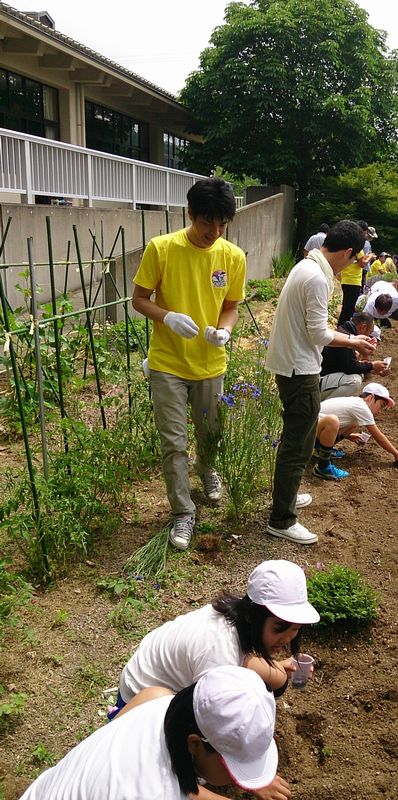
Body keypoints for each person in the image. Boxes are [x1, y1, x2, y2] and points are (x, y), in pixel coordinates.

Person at [132, 177, 246, 552]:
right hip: (167, 362)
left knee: (209, 432)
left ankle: (206, 468)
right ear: (190, 214)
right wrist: (166, 317)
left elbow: (230, 307)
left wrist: (224, 331)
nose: (215, 231)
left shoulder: (232, 256)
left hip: (211, 362)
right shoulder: (162, 249)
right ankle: (183, 511)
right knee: (173, 441)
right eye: (207, 222)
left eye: (222, 224)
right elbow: (139, 299)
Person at [20, 665, 290, 800]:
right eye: (234, 770)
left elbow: (182, 787)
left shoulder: (156, 701)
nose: (239, 784)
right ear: (195, 744)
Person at [265, 220, 376, 545]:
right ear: (346, 252)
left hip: (291, 364)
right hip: (299, 370)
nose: (350, 266)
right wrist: (353, 342)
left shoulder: (306, 267)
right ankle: (281, 519)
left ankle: (286, 496)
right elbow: (317, 334)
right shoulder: (316, 277)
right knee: (298, 444)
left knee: (295, 437)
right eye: (353, 260)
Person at [110, 560, 319, 717]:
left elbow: (256, 667)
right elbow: (208, 724)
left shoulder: (238, 617)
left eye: (296, 629)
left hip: (157, 683)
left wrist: (278, 668)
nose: (287, 638)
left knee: (275, 679)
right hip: (137, 705)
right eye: (280, 628)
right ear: (252, 616)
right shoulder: (218, 652)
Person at [313, 382, 398, 480]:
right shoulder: (361, 407)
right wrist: (396, 454)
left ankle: (321, 450)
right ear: (371, 398)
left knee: (353, 424)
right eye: (381, 405)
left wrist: (349, 435)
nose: (379, 411)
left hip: (313, 431)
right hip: (306, 435)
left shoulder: (356, 403)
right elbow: (378, 436)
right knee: (332, 421)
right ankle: (323, 467)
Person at [320, 312, 391, 400]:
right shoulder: (346, 337)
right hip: (318, 381)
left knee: (357, 376)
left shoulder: (345, 332)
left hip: (324, 377)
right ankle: (325, 407)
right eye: (369, 333)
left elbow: (348, 364)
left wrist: (374, 369)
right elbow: (350, 367)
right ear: (363, 327)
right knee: (354, 380)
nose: (368, 336)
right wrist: (372, 365)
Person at [337, 251, 370, 325]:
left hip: (345, 280)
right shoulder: (359, 249)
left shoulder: (348, 248)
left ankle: (341, 326)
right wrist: (370, 257)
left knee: (346, 306)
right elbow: (362, 264)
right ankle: (343, 327)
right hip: (354, 282)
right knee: (349, 308)